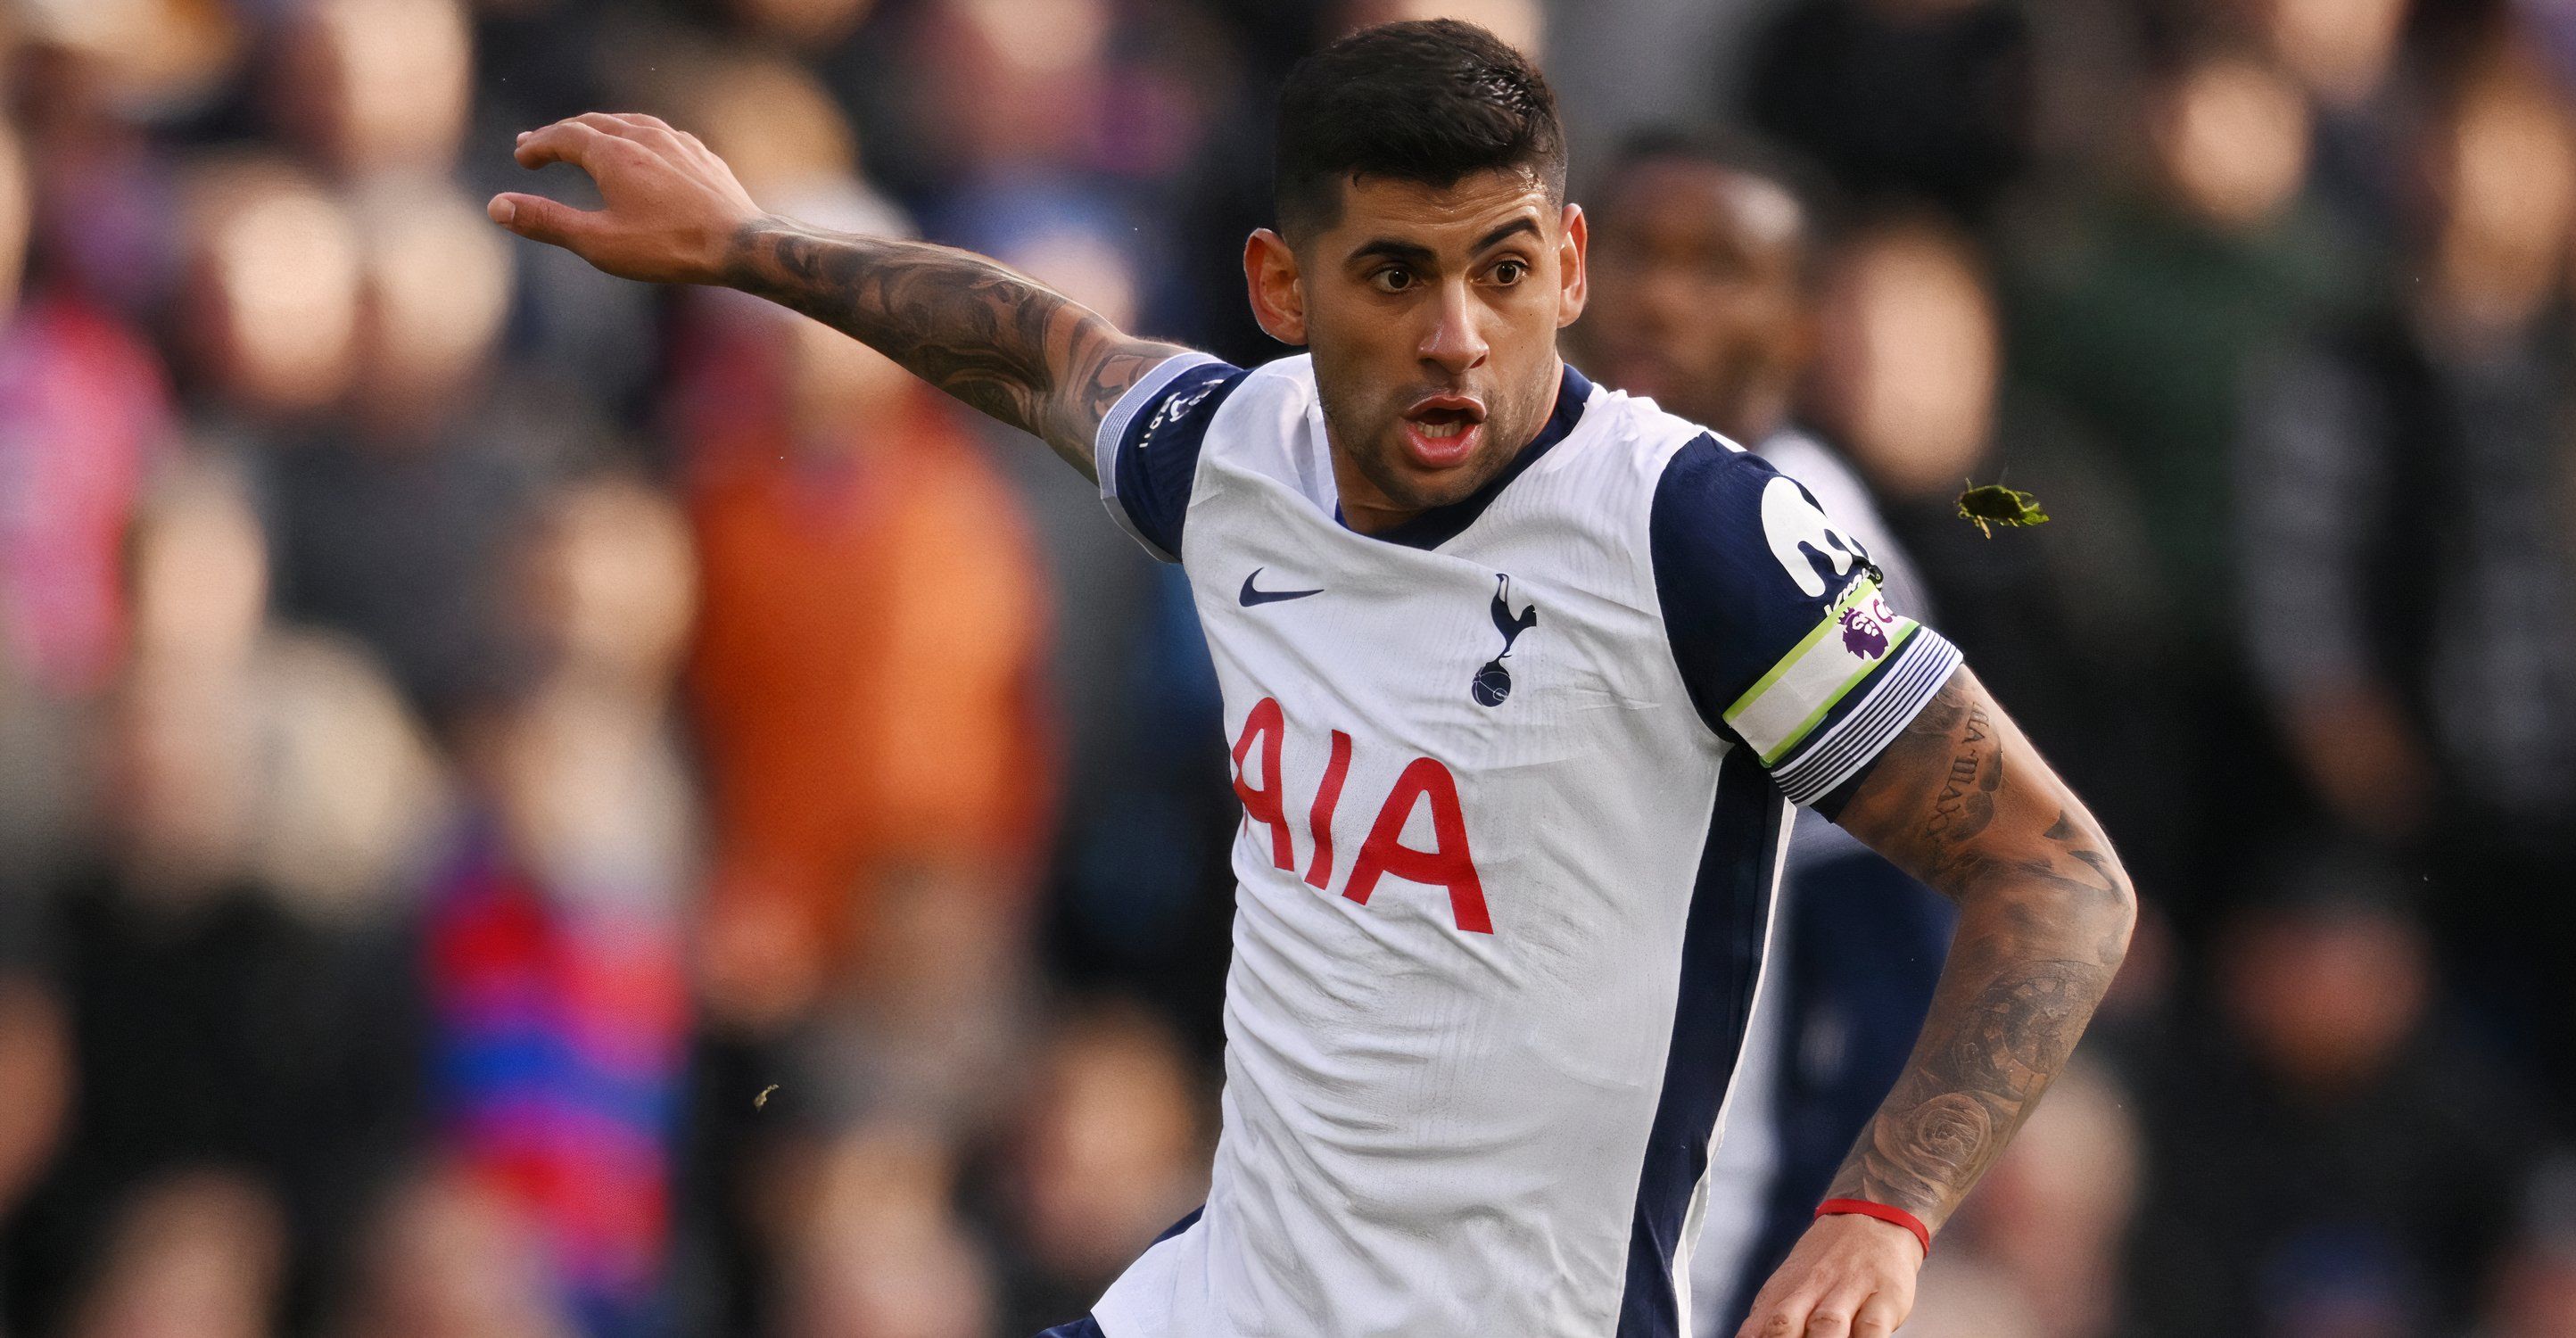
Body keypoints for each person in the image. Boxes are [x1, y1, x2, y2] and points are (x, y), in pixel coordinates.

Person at [486, 20, 2138, 1337]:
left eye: (1501, 271)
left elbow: (2059, 880)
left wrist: (1882, 1211)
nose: (1458, 337)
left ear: (1569, 265)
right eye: (1395, 277)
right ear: (1283, 288)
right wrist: (745, 245)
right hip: (1226, 1300)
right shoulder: (1237, 451)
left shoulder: (1701, 537)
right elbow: (1032, 347)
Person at [1571, 127, 1958, 1337]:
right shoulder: (1519, 490)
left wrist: (1813, 1243)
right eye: (1636, 252)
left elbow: (1887, 957)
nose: (1661, 297)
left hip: (1675, 1235)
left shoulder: (1812, 548)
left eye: (1718, 266)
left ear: (1802, 326)